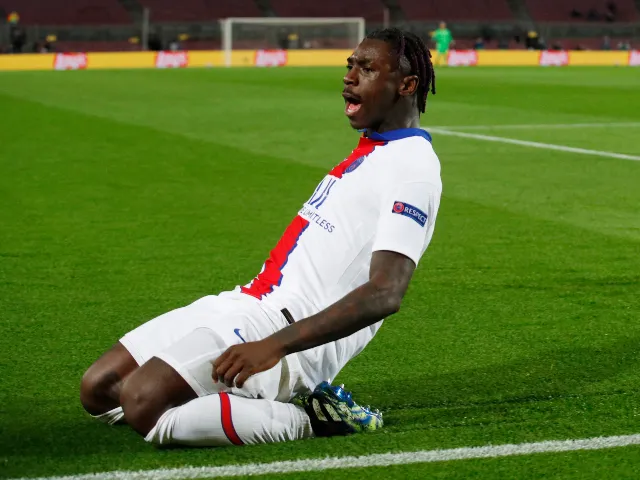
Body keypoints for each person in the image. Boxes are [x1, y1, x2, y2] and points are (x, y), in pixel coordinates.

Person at [80, 27, 440, 447]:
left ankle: (315, 418)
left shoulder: (412, 169)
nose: (349, 77)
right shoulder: (376, 149)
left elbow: (386, 292)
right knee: (100, 389)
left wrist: (273, 346)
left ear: (407, 85)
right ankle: (220, 401)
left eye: (367, 69)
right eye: (350, 65)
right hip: (247, 303)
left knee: (143, 402)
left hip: (285, 333)